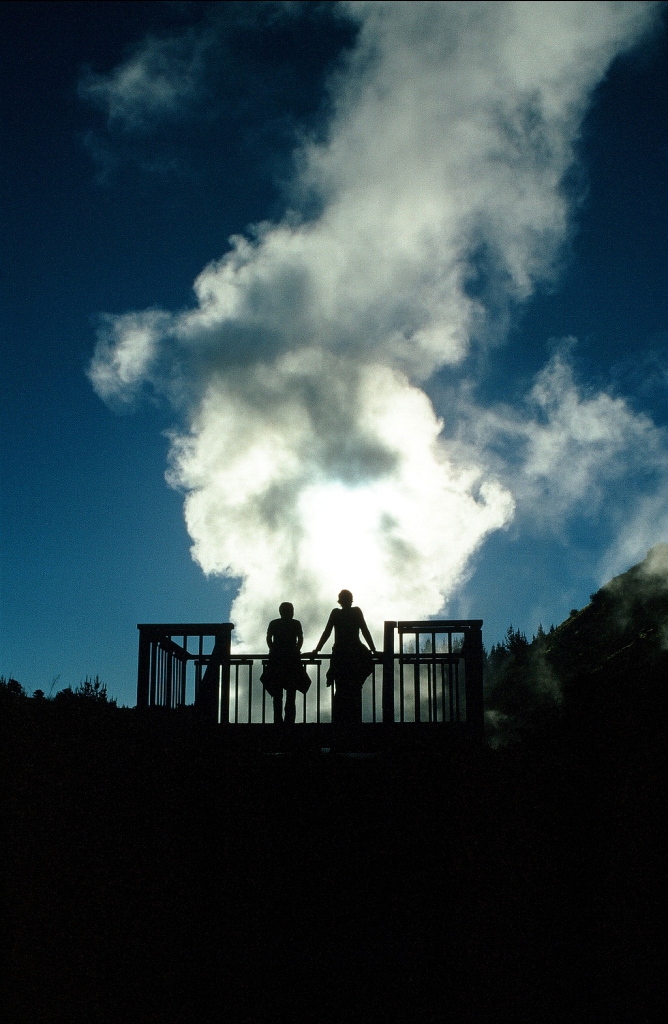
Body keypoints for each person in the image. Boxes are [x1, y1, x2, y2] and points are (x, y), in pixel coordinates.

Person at [312, 590, 376, 725]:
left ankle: (340, 723)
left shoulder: (336, 613)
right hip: (355, 655)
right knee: (354, 690)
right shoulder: (356, 612)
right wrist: (373, 650)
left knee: (341, 691)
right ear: (351, 600)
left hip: (340, 656)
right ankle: (353, 723)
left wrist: (316, 650)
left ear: (340, 601)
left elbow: (327, 633)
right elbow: (364, 630)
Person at [261, 602, 310, 725]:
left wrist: (273, 650)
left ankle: (278, 720)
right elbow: (300, 639)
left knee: (277, 695)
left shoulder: (274, 623)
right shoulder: (295, 623)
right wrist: (296, 650)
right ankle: (289, 721)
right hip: (292, 662)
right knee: (291, 694)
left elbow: (268, 638)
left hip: (277, 661)